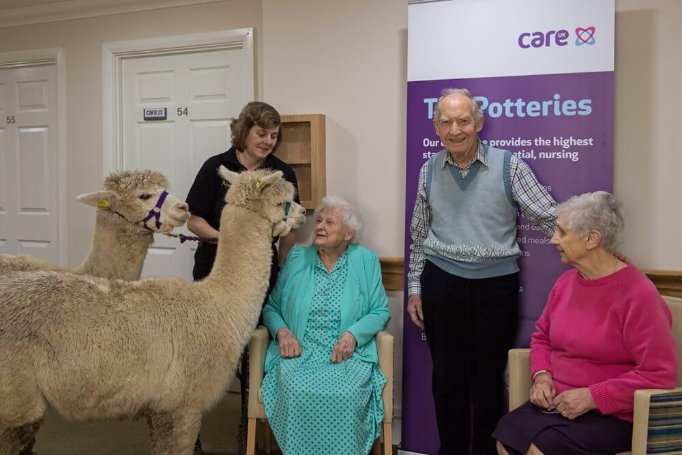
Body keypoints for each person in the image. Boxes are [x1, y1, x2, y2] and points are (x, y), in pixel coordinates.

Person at [406, 88, 557, 454]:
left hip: (494, 288)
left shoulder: (510, 165)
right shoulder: (428, 169)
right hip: (441, 284)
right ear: (436, 127)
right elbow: (419, 235)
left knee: (488, 382)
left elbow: (549, 215)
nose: (455, 129)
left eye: (463, 121)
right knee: (446, 380)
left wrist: (590, 244)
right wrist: (413, 287)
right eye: (446, 122)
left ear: (478, 123)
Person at [493, 191, 678, 455]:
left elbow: (660, 374)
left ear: (592, 239)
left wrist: (593, 396)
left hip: (613, 415)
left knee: (539, 449)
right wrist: (542, 375)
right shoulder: (565, 283)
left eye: (562, 232)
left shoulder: (639, 295)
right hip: (558, 403)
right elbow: (542, 336)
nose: (553, 239)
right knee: (506, 436)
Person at [185, 101, 299, 454]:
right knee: (204, 356)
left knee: (255, 356)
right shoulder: (214, 168)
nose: (268, 141)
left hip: (259, 281)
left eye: (274, 136)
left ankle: (248, 432)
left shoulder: (282, 174)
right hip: (214, 275)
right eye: (262, 134)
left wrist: (283, 270)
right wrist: (228, 237)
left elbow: (290, 227)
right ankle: (189, 433)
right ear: (244, 131)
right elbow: (193, 219)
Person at [260, 196, 390, 455]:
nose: (319, 225)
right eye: (319, 220)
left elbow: (380, 310)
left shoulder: (365, 260)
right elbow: (271, 307)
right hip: (299, 352)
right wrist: (283, 332)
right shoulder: (298, 257)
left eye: (330, 222)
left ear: (348, 233)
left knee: (349, 393)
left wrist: (353, 335)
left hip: (346, 355)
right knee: (295, 388)